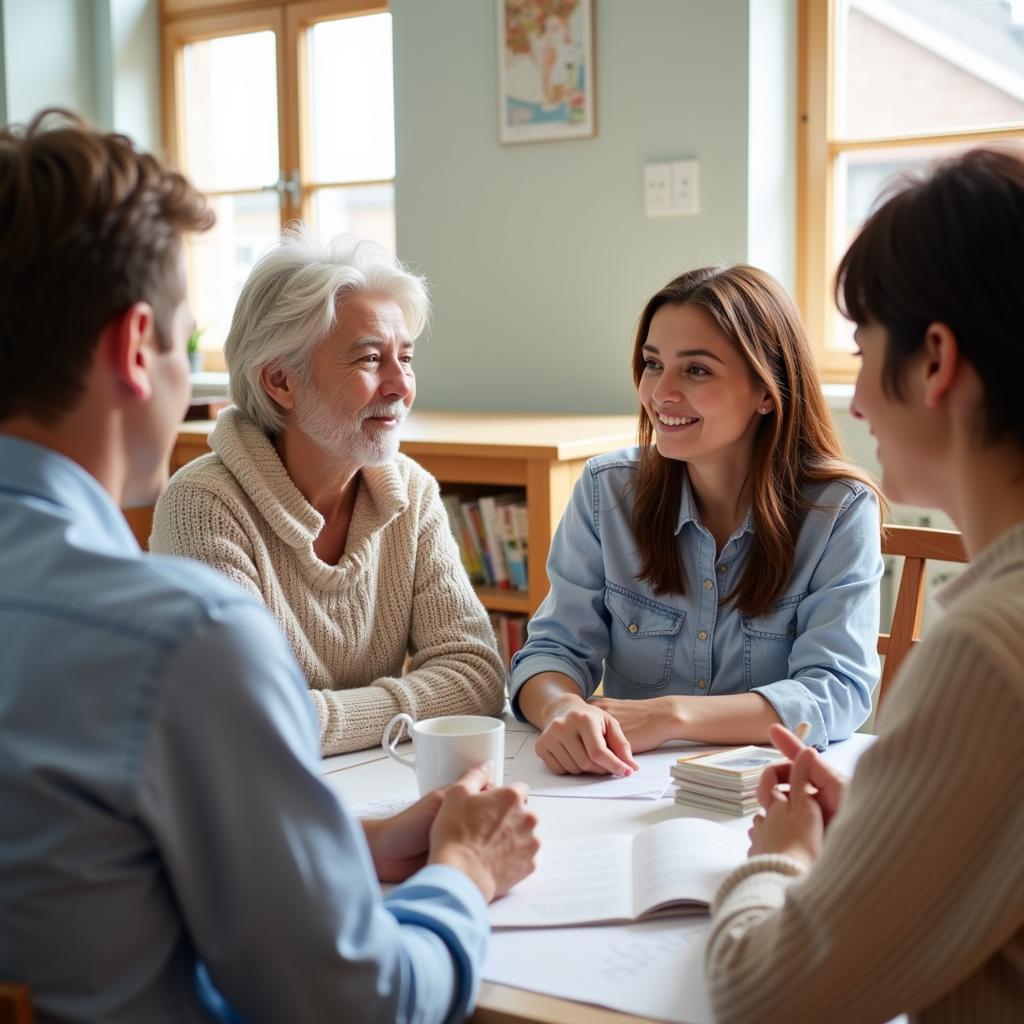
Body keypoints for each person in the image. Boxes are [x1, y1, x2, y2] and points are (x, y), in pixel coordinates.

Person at [0, 108, 538, 1024]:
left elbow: (115, 862)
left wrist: (351, 843)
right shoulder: (179, 637)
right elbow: (360, 1002)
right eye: (184, 342)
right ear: (137, 349)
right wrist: (463, 872)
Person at [705, 147, 1024, 1022]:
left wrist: (781, 857)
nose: (854, 405)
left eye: (860, 345)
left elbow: (761, 992)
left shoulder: (988, 649)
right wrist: (900, 823)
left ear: (934, 360)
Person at [510, 265, 884, 776]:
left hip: (769, 796)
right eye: (652, 364)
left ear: (766, 392)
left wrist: (671, 715)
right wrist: (563, 708)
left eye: (697, 370)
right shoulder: (606, 491)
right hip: (623, 790)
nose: (661, 393)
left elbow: (836, 691)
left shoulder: (839, 511)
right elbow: (552, 650)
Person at [150, 231, 505, 755]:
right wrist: (409, 708)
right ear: (279, 381)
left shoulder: (410, 491)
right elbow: (245, 720)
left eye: (405, 358)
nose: (400, 386)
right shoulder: (203, 506)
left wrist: (313, 717)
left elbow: (477, 676)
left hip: (373, 785)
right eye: (369, 360)